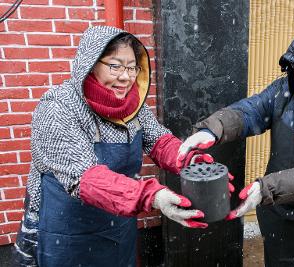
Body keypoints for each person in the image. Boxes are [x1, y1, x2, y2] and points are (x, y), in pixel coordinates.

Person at [12, 25, 218, 267]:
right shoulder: (58, 107)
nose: (125, 76)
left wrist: (188, 160)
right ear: (90, 64)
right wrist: (152, 195)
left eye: (132, 67)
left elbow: (159, 141)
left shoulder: (132, 106)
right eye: (115, 65)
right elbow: (84, 177)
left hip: (118, 223)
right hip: (68, 232)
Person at [178, 25, 294, 266]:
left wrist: (267, 187)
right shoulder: (282, 91)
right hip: (277, 210)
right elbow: (252, 111)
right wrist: (212, 130)